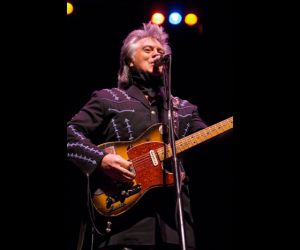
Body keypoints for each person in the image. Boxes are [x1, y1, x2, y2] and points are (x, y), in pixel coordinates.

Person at [66, 22, 209, 250]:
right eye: (148, 50)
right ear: (130, 61)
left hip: (175, 228)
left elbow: (208, 140)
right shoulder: (108, 99)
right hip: (123, 226)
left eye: (161, 51)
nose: (157, 54)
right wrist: (100, 160)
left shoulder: (183, 109)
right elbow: (70, 135)